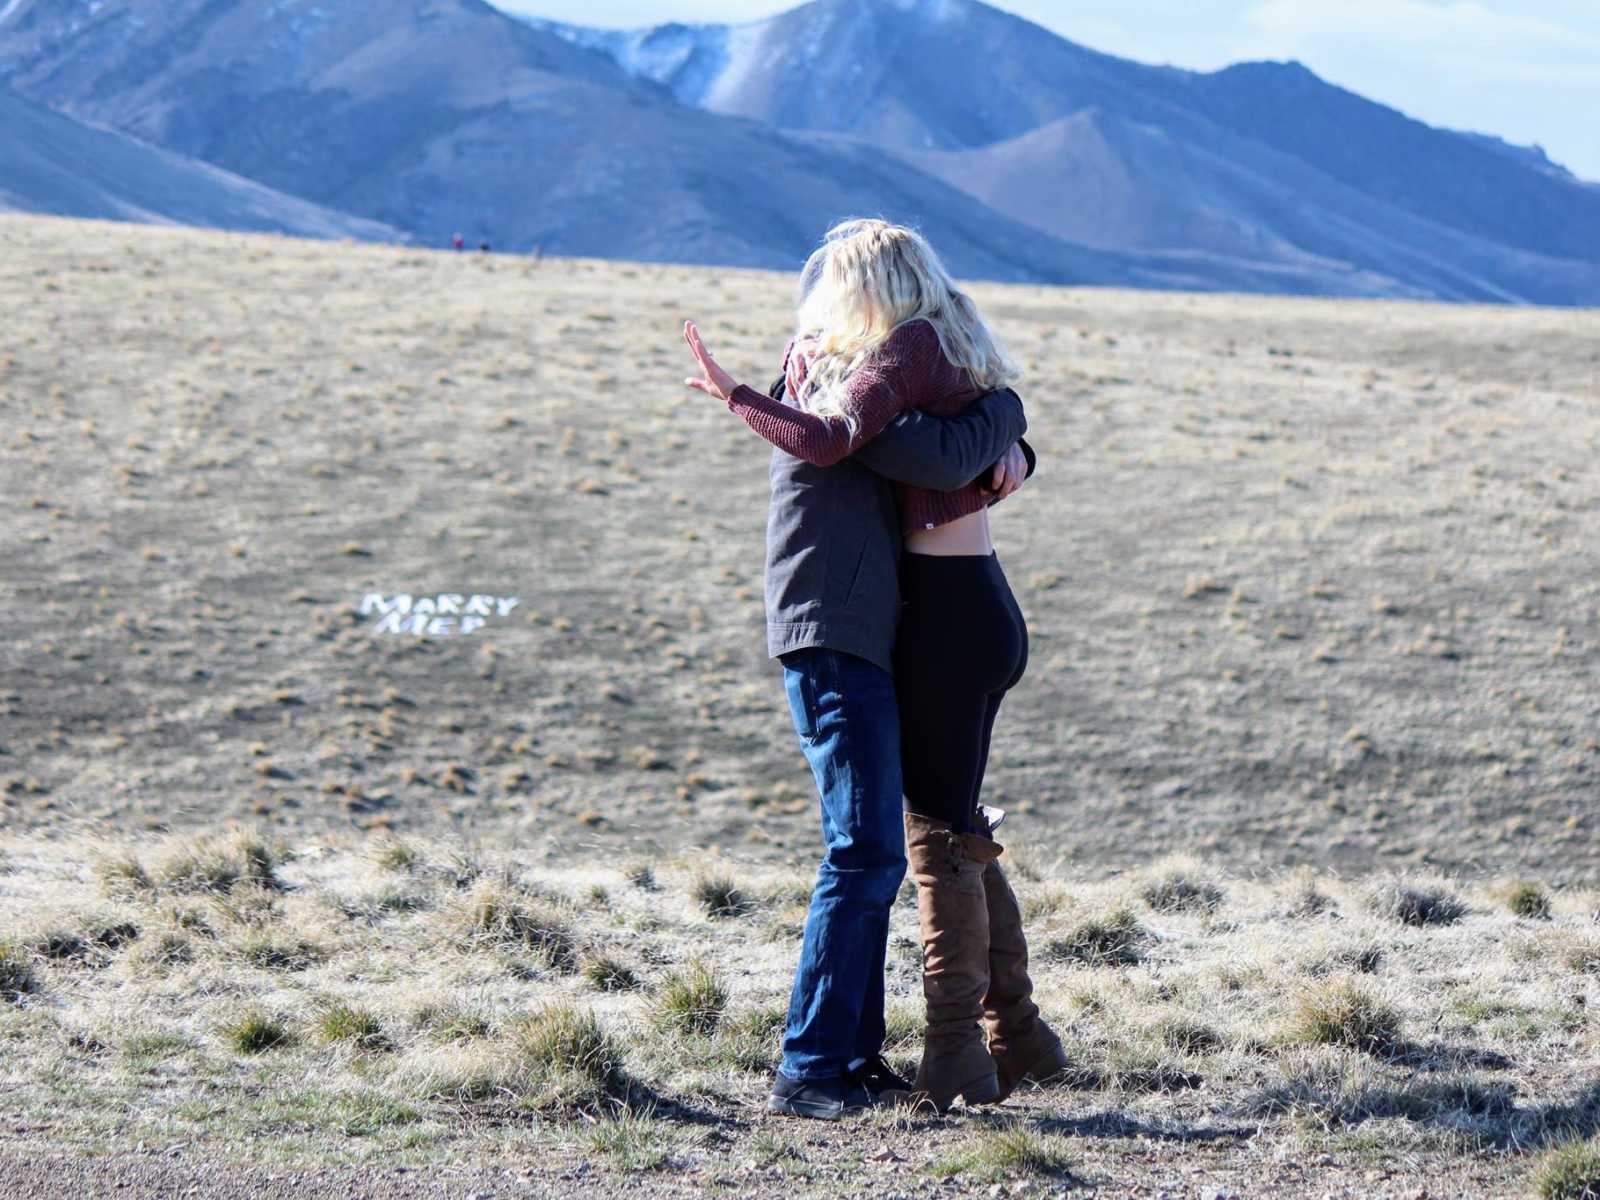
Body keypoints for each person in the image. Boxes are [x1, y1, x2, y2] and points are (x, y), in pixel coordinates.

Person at [683, 218, 1062, 1117]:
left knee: (891, 848)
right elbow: (881, 446)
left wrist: (1008, 434)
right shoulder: (821, 393)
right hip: (833, 632)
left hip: (873, 632)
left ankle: (857, 1058)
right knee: (870, 850)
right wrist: (1005, 420)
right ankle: (813, 1067)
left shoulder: (856, 388)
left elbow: (929, 449)